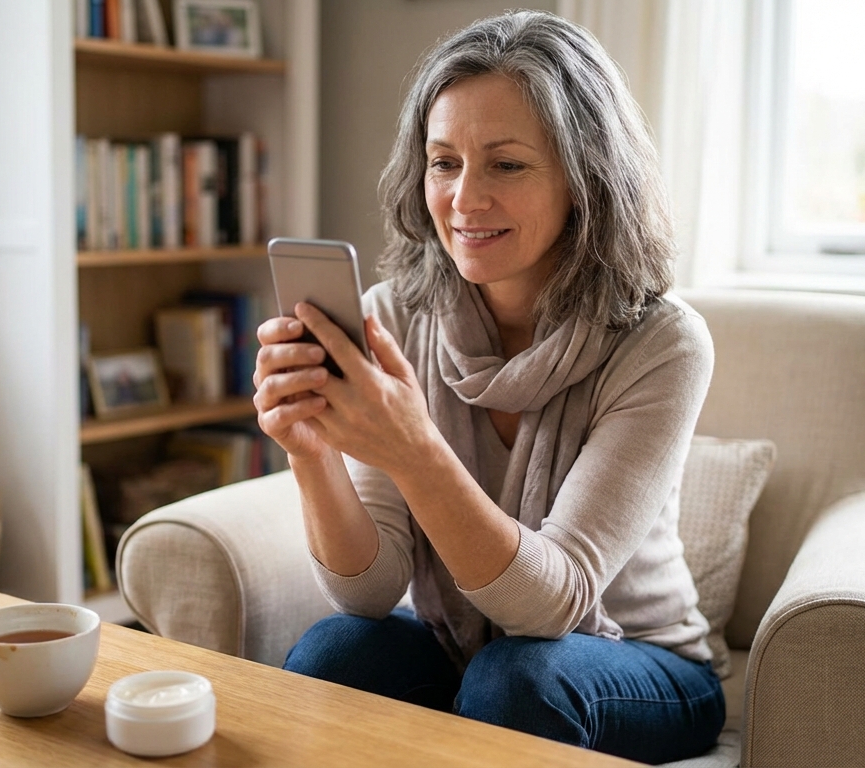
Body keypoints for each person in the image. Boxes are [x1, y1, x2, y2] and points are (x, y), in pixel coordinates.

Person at [252, 10, 722, 764]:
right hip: (466, 646)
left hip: (642, 663)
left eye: (506, 164)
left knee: (517, 681)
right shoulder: (394, 318)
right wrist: (309, 451)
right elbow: (369, 594)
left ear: (585, 177)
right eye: (444, 162)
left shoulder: (662, 342)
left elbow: (557, 600)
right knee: (336, 652)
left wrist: (414, 449)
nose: (465, 200)